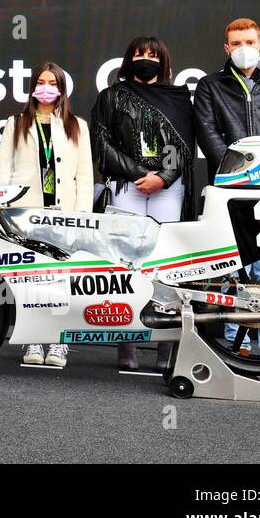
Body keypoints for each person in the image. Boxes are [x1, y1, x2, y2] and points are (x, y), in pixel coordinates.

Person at [193, 18, 260, 382]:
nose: (243, 46)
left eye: (249, 41)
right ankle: (234, 349)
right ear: (227, 48)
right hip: (227, 189)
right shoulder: (211, 86)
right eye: (236, 42)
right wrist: (235, 170)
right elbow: (207, 131)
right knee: (229, 269)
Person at [92, 36, 196, 372]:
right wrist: (139, 174)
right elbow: (101, 143)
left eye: (152, 55)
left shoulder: (180, 98)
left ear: (163, 61)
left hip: (169, 188)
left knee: (168, 265)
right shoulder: (111, 96)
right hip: (127, 187)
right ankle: (127, 344)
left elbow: (185, 146)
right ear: (128, 59)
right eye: (139, 54)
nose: (145, 59)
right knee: (125, 264)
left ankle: (166, 347)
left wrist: (163, 177)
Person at [0, 61, 93, 369]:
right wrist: (3, 210)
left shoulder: (77, 125)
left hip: (64, 215)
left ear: (61, 88)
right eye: (41, 81)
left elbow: (85, 176)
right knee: (31, 281)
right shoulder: (17, 122)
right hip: (26, 215)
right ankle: (34, 340)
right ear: (33, 86)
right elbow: (3, 170)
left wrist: (81, 217)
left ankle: (59, 343)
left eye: (53, 82)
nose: (47, 87)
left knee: (62, 281)